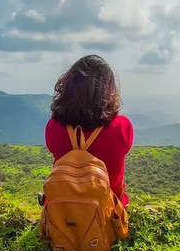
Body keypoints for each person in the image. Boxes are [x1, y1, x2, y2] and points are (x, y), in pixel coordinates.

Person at [44, 55, 134, 206]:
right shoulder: (122, 127)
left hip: (62, 216)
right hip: (108, 218)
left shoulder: (54, 127)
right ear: (108, 91)